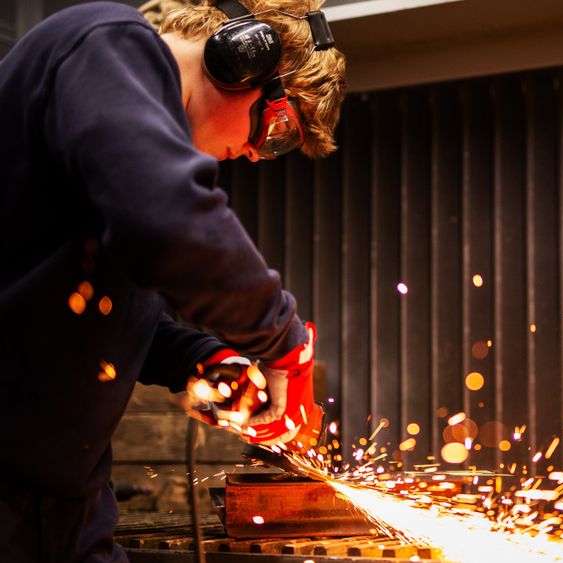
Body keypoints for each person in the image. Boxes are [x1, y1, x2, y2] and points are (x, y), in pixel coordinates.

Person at [0, 0, 346, 560]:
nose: (258, 154)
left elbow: (115, 314)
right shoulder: (106, 42)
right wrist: (286, 342)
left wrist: (205, 359)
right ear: (243, 60)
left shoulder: (125, 164)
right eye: (278, 130)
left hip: (68, 510)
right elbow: (166, 222)